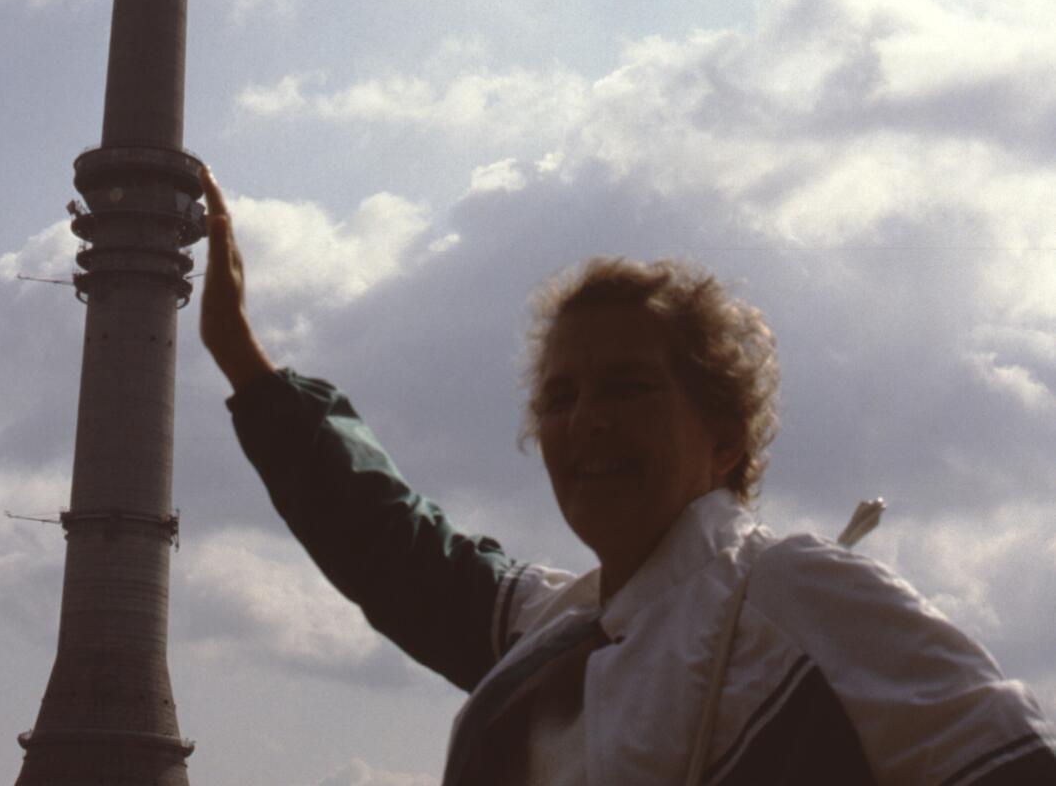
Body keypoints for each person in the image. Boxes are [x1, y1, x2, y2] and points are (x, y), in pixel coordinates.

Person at [196, 167, 1056, 785]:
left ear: (725, 439)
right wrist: (246, 364)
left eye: (628, 387)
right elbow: (397, 549)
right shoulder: (550, 631)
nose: (586, 421)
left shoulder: (800, 596)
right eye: (560, 397)